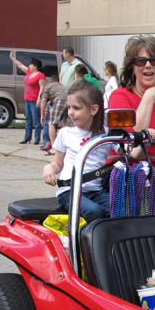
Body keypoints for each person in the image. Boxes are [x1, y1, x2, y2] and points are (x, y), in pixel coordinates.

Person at [43, 80, 114, 223]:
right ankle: (84, 243)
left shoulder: (106, 134)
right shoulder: (66, 133)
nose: (70, 113)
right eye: (69, 107)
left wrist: (147, 135)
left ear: (94, 109)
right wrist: (48, 167)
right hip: (69, 191)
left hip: (95, 191)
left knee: (120, 210)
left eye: (76, 108)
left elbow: (132, 153)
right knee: (95, 211)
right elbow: (58, 163)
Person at [10, 51, 46, 145]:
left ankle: (37, 138)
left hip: (34, 99)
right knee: (28, 119)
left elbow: (42, 87)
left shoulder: (40, 75)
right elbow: (20, 65)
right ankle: (27, 137)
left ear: (36, 66)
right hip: (27, 98)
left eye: (31, 64)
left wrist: (39, 99)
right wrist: (12, 58)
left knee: (36, 120)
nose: (29, 66)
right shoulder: (29, 72)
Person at [39, 74, 68, 152]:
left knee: (51, 123)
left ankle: (54, 148)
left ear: (49, 82)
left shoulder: (48, 86)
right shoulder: (63, 87)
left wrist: (42, 114)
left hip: (59, 101)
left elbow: (43, 100)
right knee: (65, 125)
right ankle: (65, 147)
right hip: (69, 102)